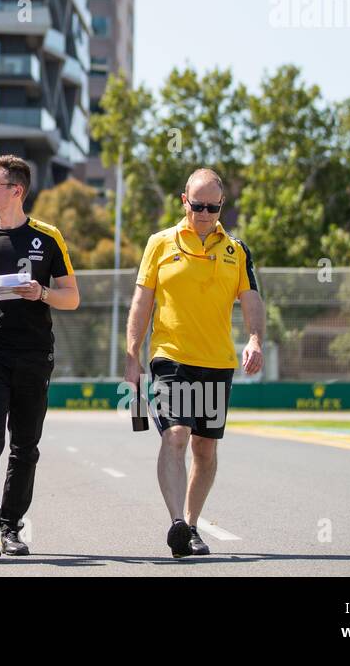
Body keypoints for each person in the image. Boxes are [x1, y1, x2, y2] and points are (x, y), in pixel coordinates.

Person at [124, 167, 265, 558]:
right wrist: (132, 356)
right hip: (171, 358)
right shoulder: (159, 244)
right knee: (177, 434)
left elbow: (251, 300)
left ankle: (190, 523)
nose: (204, 214)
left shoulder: (237, 250)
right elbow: (142, 302)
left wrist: (254, 339)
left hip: (217, 363)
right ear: (184, 201)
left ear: (222, 206)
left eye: (212, 207)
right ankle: (176, 524)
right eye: (197, 205)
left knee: (204, 448)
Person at [0, 154, 80, 559]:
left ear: (16, 190)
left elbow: (71, 298)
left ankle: (10, 527)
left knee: (25, 445)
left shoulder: (48, 237)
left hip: (33, 354)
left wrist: (41, 293)